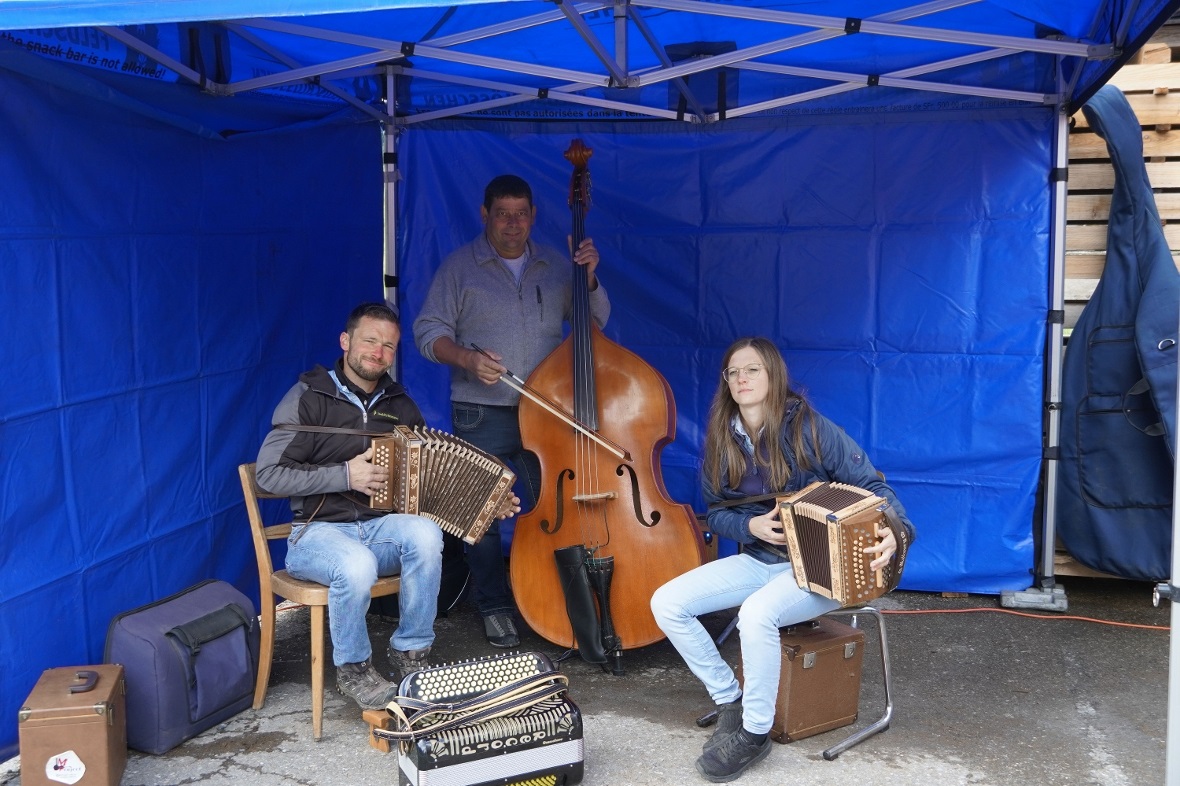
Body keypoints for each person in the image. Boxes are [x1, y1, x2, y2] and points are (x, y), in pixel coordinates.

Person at [650, 337, 916, 783]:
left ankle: (754, 734)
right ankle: (730, 700)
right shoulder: (721, 438)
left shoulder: (811, 428)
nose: (741, 379)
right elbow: (716, 510)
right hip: (761, 560)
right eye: (733, 372)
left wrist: (896, 530)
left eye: (752, 369)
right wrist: (748, 528)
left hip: (823, 570)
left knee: (756, 614)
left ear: (773, 376)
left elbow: (875, 487)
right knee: (667, 602)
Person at [256, 302, 517, 711]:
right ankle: (354, 669)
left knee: (426, 535)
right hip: (317, 533)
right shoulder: (309, 396)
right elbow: (268, 475)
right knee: (355, 564)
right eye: (370, 341)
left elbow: (426, 481)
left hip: (378, 531)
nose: (378, 353)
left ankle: (411, 652)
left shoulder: (399, 404)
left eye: (389, 346)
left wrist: (484, 502)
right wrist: (346, 475)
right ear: (346, 342)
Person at [413, 173, 610, 648]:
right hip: (482, 413)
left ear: (533, 216)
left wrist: (590, 278)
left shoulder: (555, 265)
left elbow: (595, 320)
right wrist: (466, 358)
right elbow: (426, 333)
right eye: (502, 214)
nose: (512, 224)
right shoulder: (459, 268)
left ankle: (556, 600)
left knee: (553, 511)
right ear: (485, 215)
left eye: (521, 214)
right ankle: (495, 605)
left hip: (546, 414)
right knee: (479, 514)